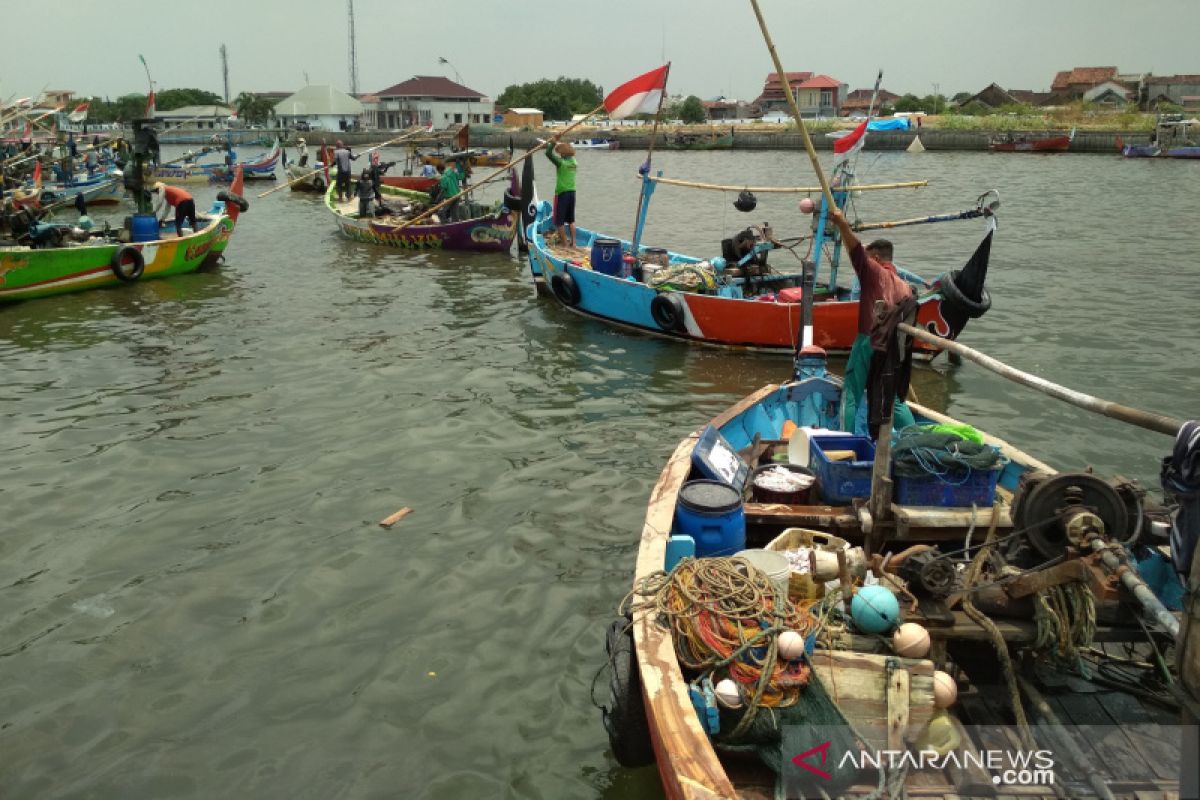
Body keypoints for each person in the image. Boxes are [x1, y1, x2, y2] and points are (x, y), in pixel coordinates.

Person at [828, 207, 917, 438]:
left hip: (869, 341)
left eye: (869, 257)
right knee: (895, 399)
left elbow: (855, 249)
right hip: (892, 350)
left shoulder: (874, 271)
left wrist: (842, 223)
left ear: (876, 258)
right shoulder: (905, 285)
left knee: (851, 394)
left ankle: (844, 442)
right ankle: (914, 439)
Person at [545, 139, 577, 246]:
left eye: (561, 153)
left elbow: (548, 154)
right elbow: (564, 156)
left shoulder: (561, 163)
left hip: (562, 193)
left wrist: (553, 143)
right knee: (571, 220)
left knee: (559, 222)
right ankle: (574, 243)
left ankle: (565, 245)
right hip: (572, 193)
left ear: (563, 154)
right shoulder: (575, 163)